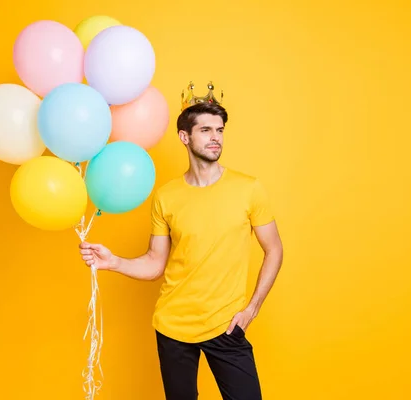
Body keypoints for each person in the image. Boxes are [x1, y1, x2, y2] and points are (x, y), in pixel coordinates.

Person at [79, 102, 284, 400]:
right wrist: (113, 262)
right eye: (205, 130)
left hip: (225, 325)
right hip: (172, 326)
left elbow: (274, 249)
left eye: (220, 130)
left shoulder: (249, 189)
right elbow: (154, 263)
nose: (216, 137)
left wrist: (252, 308)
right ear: (184, 137)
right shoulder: (166, 196)